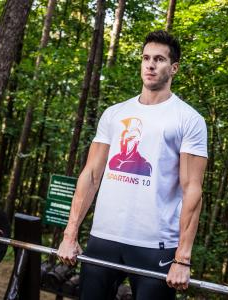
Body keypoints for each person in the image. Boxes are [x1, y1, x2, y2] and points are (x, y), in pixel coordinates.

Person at [57, 30, 208, 299]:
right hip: (104, 237)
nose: (150, 64)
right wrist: (70, 233)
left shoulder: (188, 119)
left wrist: (182, 257)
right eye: (146, 58)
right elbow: (91, 175)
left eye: (159, 59)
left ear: (174, 68)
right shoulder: (114, 114)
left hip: (156, 246)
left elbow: (192, 189)